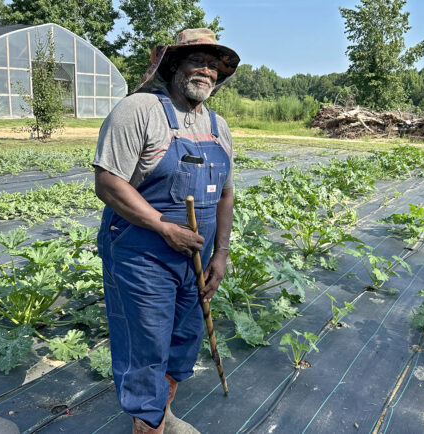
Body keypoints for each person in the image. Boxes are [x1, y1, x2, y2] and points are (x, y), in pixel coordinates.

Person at [92, 28, 239, 434]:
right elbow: (108, 182)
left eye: (213, 65)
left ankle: (161, 414)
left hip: (194, 259)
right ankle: (148, 426)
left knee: (183, 340)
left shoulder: (218, 126)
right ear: (172, 65)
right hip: (143, 253)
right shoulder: (139, 110)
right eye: (197, 61)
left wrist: (220, 255)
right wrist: (161, 225)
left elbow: (226, 194)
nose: (206, 71)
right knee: (147, 345)